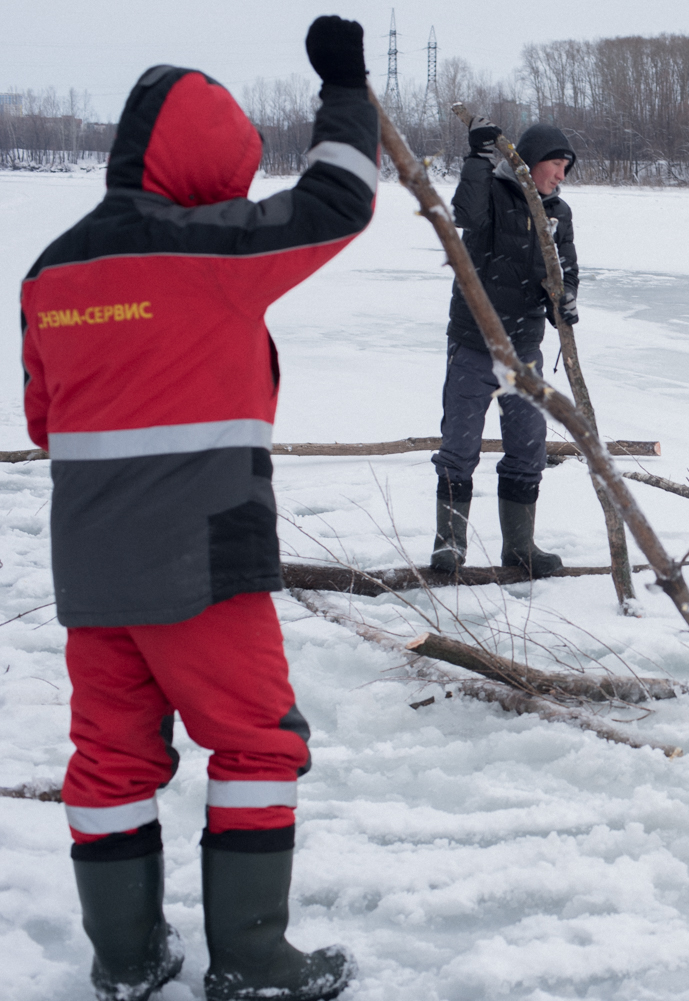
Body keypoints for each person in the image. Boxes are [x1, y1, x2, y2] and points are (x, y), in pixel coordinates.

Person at [19, 18, 377, 1001]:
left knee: (109, 757)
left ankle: (125, 960)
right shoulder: (211, 249)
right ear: (215, 163)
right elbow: (340, 199)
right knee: (258, 741)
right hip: (205, 559)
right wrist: (345, 87)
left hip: (91, 570)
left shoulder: (49, 274)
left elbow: (47, 422)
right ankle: (255, 961)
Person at [430, 118, 580, 575]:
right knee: (459, 447)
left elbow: (566, 269)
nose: (561, 175)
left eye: (565, 168)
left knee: (528, 447)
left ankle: (520, 548)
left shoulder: (559, 214)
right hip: (476, 341)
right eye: (555, 164)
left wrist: (565, 299)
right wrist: (477, 159)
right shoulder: (492, 196)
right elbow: (466, 216)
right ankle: (449, 547)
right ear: (530, 162)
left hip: (524, 348)